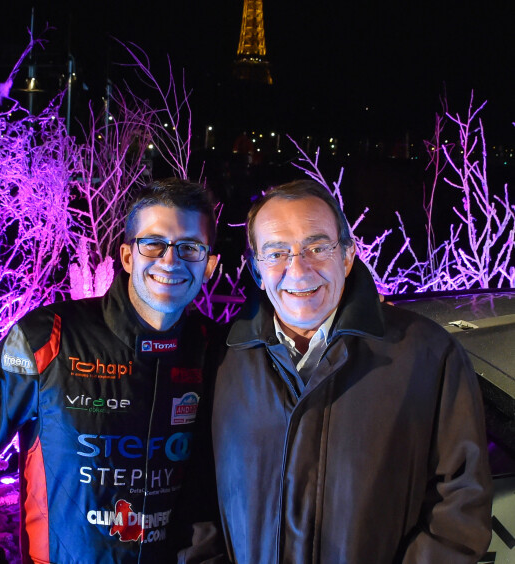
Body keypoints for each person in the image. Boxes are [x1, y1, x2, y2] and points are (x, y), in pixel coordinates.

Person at [0, 178, 222, 563]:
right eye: (153, 244)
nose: (170, 261)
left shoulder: (212, 348)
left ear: (209, 265)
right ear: (126, 256)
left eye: (190, 248)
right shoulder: (47, 336)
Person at [211, 180, 493, 563]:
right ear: (257, 269)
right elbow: (200, 502)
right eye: (276, 253)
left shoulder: (426, 353)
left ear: (347, 256)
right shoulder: (223, 360)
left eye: (317, 247)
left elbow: (461, 503)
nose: (298, 269)